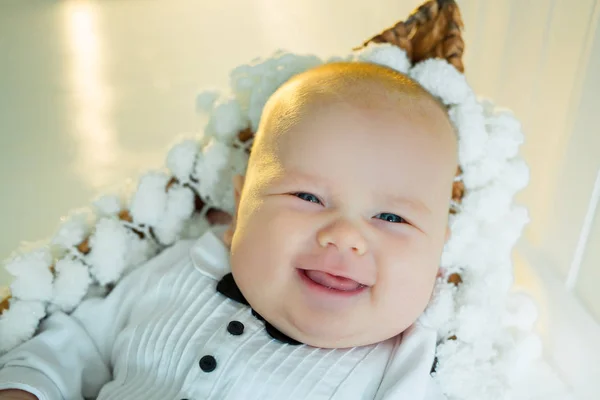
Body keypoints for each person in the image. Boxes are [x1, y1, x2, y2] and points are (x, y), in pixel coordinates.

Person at [0, 61, 457, 400]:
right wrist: (29, 387)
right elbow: (76, 344)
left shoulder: (400, 367)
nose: (345, 236)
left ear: (439, 251)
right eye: (308, 198)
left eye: (392, 218)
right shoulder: (182, 268)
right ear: (240, 210)